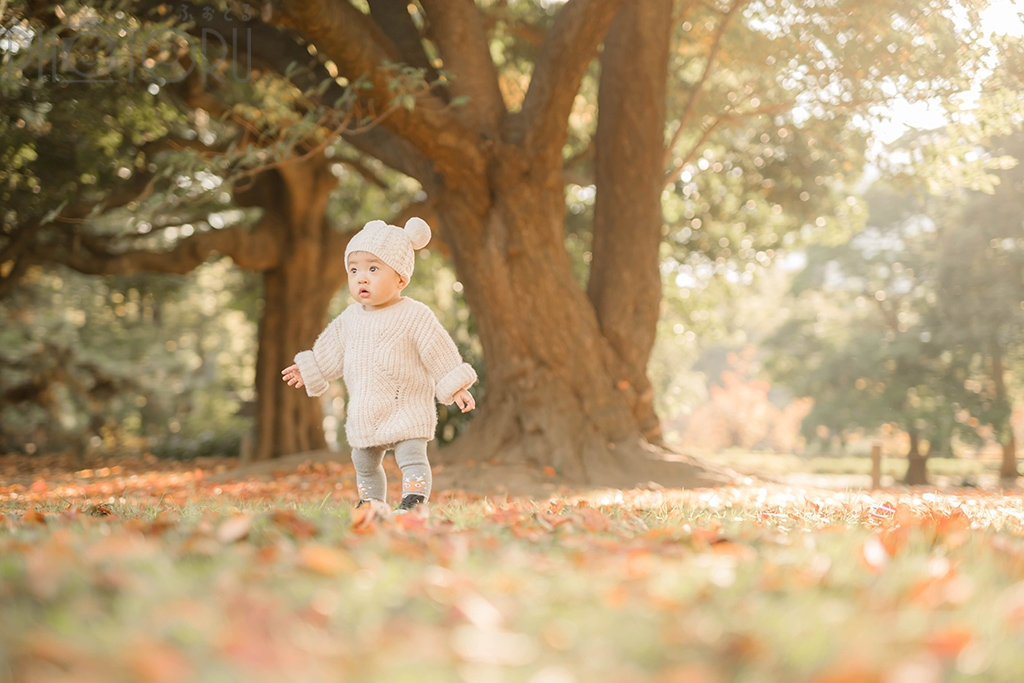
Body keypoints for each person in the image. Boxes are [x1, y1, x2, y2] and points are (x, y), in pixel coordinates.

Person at [281, 217, 477, 511]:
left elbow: (439, 351)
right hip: (366, 407)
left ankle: (414, 500)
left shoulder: (415, 315)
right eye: (354, 269)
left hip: (406, 404)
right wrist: (312, 370)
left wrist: (456, 385)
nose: (362, 277)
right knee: (363, 459)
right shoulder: (350, 319)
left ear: (400, 278)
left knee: (410, 454)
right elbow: (330, 351)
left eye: (373, 268)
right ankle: (371, 502)